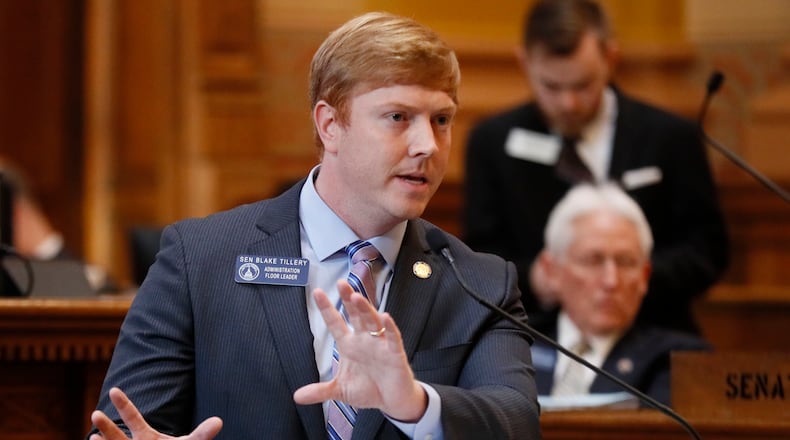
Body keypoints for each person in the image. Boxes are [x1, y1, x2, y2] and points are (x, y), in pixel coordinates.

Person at [88, 12, 541, 440]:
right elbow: (125, 425)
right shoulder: (200, 259)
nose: (428, 145)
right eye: (398, 117)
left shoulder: (479, 284)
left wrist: (415, 404)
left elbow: (517, 420)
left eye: (441, 120)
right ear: (330, 125)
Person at [462, 0, 729, 335]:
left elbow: (708, 252)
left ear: (611, 59)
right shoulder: (493, 142)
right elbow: (480, 257)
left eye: (583, 85)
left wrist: (627, 279)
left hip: (653, 333)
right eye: (551, 86)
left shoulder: (671, 138)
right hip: (537, 336)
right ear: (524, 62)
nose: (568, 103)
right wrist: (534, 279)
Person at [530, 183, 710, 406]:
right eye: (593, 260)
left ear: (644, 276)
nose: (611, 281)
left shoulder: (679, 362)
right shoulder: (509, 347)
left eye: (625, 262)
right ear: (552, 271)